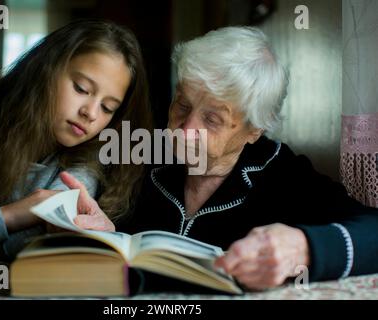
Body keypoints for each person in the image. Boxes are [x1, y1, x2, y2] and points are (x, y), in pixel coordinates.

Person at [61, 26, 378, 291]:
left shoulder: (283, 174)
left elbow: (373, 231)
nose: (186, 131)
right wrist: (108, 235)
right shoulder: (142, 152)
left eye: (212, 120)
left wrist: (305, 247)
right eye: (182, 106)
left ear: (254, 129)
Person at [0, 19, 152, 266]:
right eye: (81, 88)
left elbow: (37, 251)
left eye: (108, 107)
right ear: (44, 72)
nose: (91, 113)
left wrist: (97, 241)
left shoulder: (85, 168)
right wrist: (13, 215)